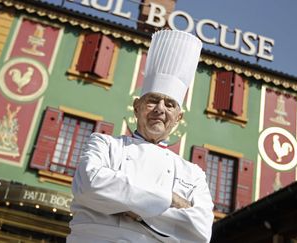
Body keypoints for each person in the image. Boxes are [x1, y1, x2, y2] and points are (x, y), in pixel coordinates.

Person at [67, 30, 214, 243]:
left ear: (178, 117)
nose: (160, 109)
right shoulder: (104, 143)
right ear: (137, 107)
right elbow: (89, 185)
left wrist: (129, 205)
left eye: (170, 104)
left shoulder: (194, 173)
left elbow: (200, 229)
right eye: (153, 100)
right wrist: (170, 199)